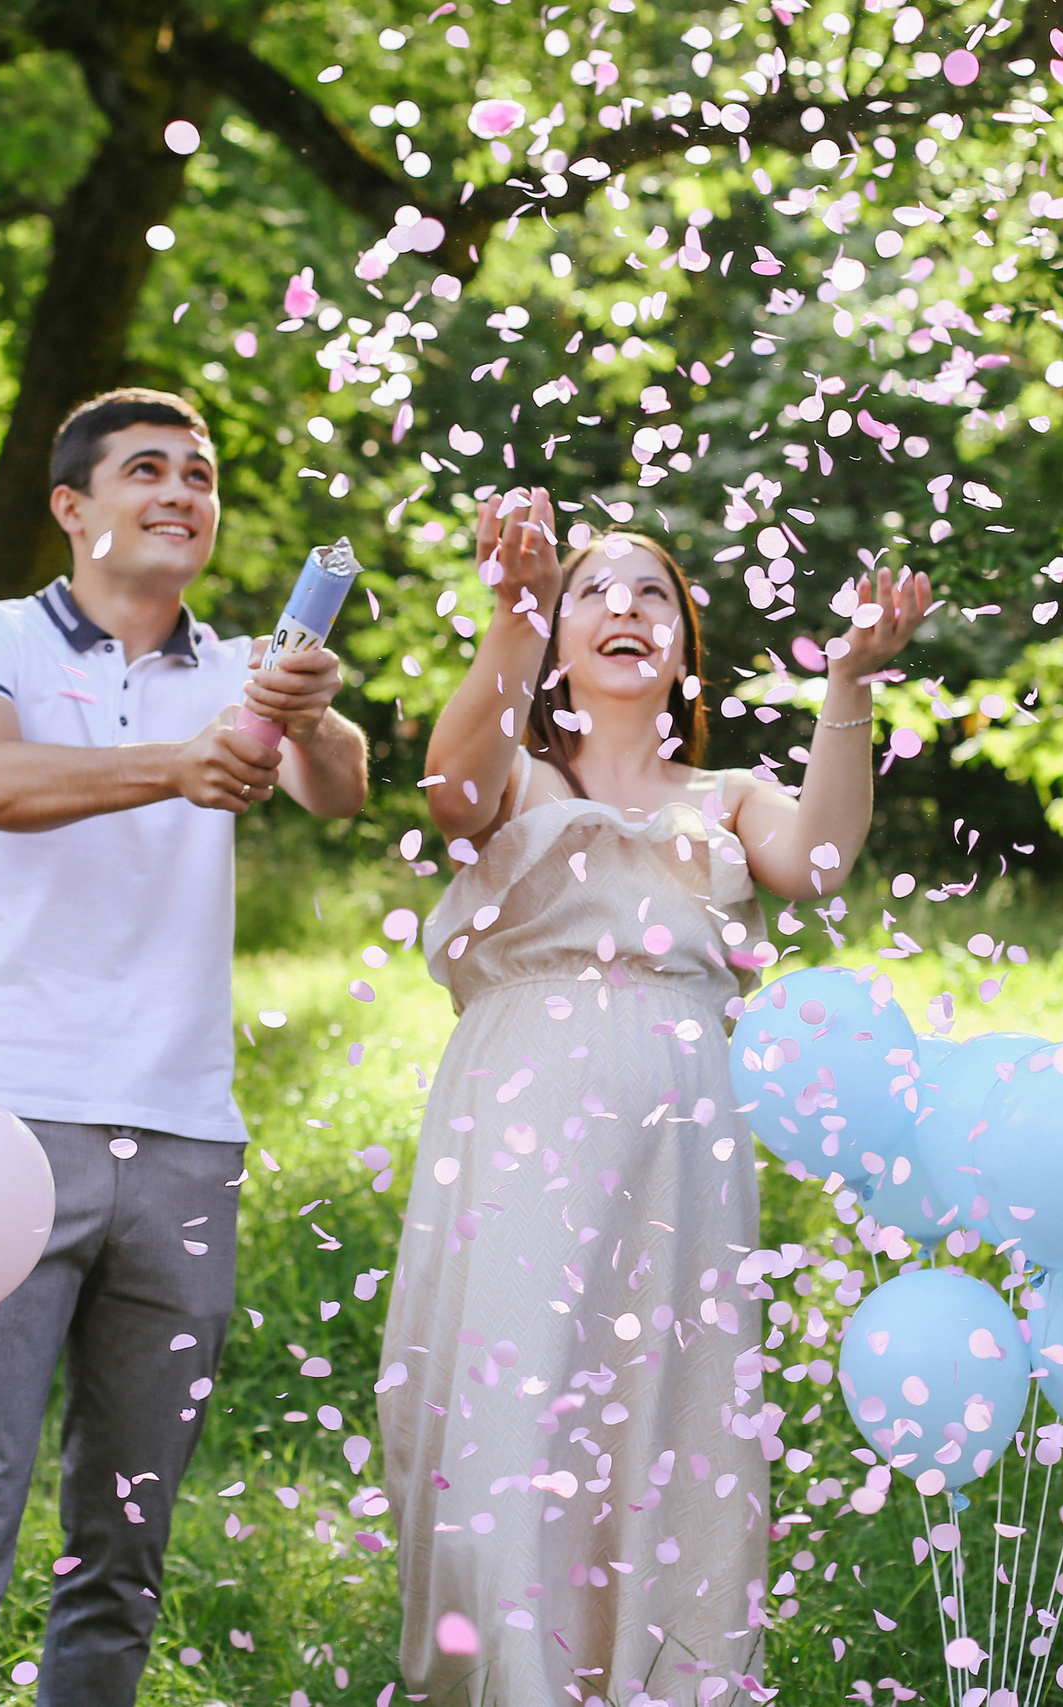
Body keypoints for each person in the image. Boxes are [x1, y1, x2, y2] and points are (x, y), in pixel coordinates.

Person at [377, 488, 931, 1706]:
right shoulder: (518, 778)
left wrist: (847, 682)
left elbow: (821, 861)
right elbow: (447, 795)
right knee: (513, 1397)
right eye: (592, 590)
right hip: (524, 1107)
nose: (623, 606)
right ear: (560, 633)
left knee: (663, 1414)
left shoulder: (728, 796)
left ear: (683, 648)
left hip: (681, 1134)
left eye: (652, 596)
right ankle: (509, 1679)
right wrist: (508, 618)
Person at [0, 387, 369, 1707]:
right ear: (72, 506)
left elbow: (344, 788)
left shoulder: (238, 670)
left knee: (124, 1547)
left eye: (201, 475)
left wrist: (309, 711)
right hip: (2, 1128)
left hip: (187, 1147)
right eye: (146, 468)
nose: (180, 493)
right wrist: (177, 761)